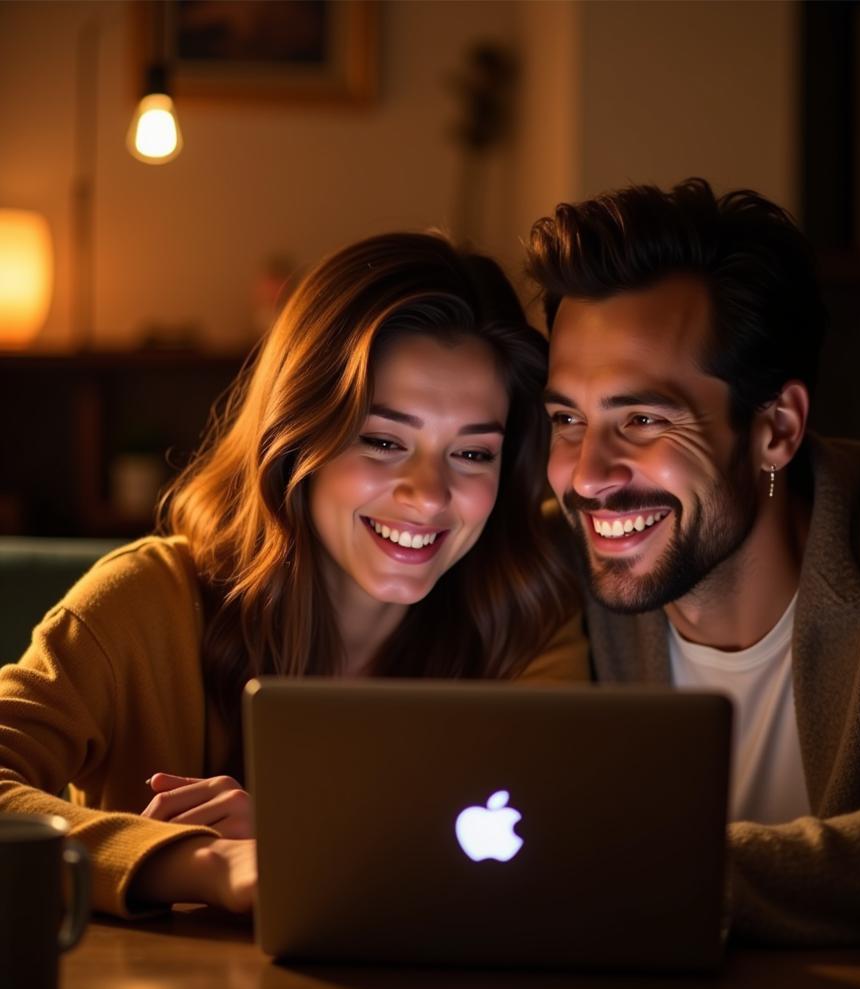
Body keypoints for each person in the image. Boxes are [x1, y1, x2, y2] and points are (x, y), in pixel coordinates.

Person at [0, 232, 585, 917]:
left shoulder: (529, 618)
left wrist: (306, 839)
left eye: (473, 454)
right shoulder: (147, 600)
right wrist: (203, 862)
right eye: (384, 441)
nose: (429, 495)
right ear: (297, 435)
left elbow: (565, 839)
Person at [525, 179, 860, 945]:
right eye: (568, 418)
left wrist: (653, 873)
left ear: (775, 431)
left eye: (644, 419)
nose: (588, 474)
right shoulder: (552, 564)